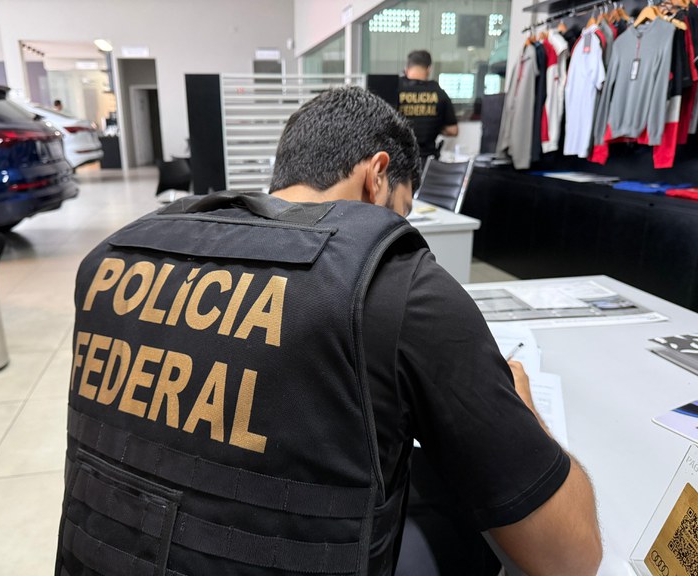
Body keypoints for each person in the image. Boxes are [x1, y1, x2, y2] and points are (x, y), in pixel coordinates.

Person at [55, 86, 602, 576]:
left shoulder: (113, 256)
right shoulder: (398, 286)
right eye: (403, 209)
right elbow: (570, 558)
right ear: (377, 175)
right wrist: (525, 411)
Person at [398, 49, 458, 159]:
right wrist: (434, 126)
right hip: (428, 160)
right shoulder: (439, 92)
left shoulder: (395, 88)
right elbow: (453, 130)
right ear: (429, 69)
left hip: (400, 159)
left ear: (407, 68)